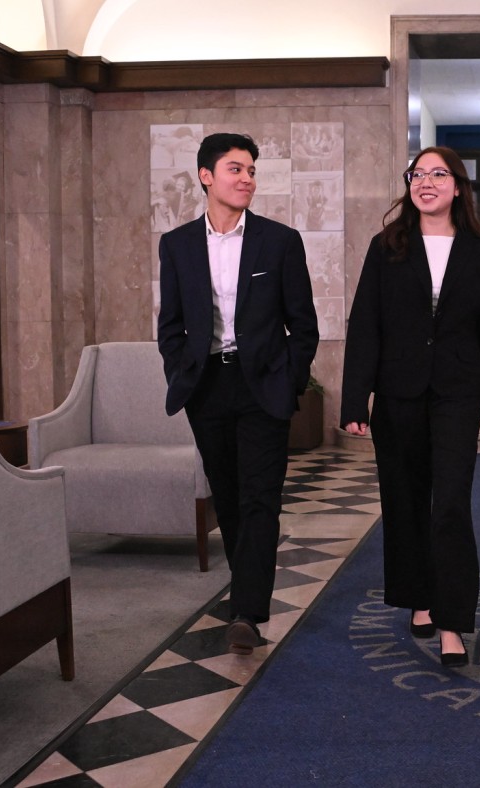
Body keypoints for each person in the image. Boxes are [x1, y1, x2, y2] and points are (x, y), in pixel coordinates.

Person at [341, 146, 480, 667]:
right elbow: (365, 324)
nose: (427, 182)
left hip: (457, 391)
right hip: (399, 390)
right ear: (409, 185)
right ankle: (418, 595)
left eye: (439, 174)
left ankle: (454, 621)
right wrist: (356, 398)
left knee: (452, 503)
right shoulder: (387, 245)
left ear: (458, 187)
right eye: (418, 174)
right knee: (406, 499)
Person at [157, 132, 320, 655]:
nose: (247, 178)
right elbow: (172, 323)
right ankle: (244, 589)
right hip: (207, 384)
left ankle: (247, 610)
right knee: (226, 496)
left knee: (259, 498)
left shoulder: (279, 241)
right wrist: (179, 367)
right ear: (207, 176)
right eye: (235, 169)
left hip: (262, 386)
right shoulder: (177, 244)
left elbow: (304, 324)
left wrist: (290, 377)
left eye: (251, 170)